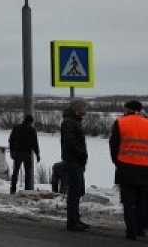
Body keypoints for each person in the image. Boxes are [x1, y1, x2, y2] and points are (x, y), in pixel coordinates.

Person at [109, 100, 148, 240]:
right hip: (145, 168)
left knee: (128, 202)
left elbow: (114, 145)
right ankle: (140, 228)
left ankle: (131, 231)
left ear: (128, 109)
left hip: (125, 167)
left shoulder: (120, 122)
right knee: (142, 201)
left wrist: (117, 162)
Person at [60, 99, 90, 232]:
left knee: (77, 192)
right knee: (74, 193)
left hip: (76, 161)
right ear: (77, 108)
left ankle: (75, 219)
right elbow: (70, 143)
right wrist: (81, 154)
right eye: (84, 107)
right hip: (73, 161)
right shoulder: (69, 123)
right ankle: (72, 222)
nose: (86, 110)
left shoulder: (74, 121)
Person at [8, 114, 40, 194]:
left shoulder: (16, 128)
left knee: (15, 172)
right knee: (28, 173)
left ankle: (13, 189)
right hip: (27, 154)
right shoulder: (32, 130)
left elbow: (11, 140)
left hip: (18, 153)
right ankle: (26, 190)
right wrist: (37, 154)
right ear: (31, 122)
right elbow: (35, 143)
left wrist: (12, 151)